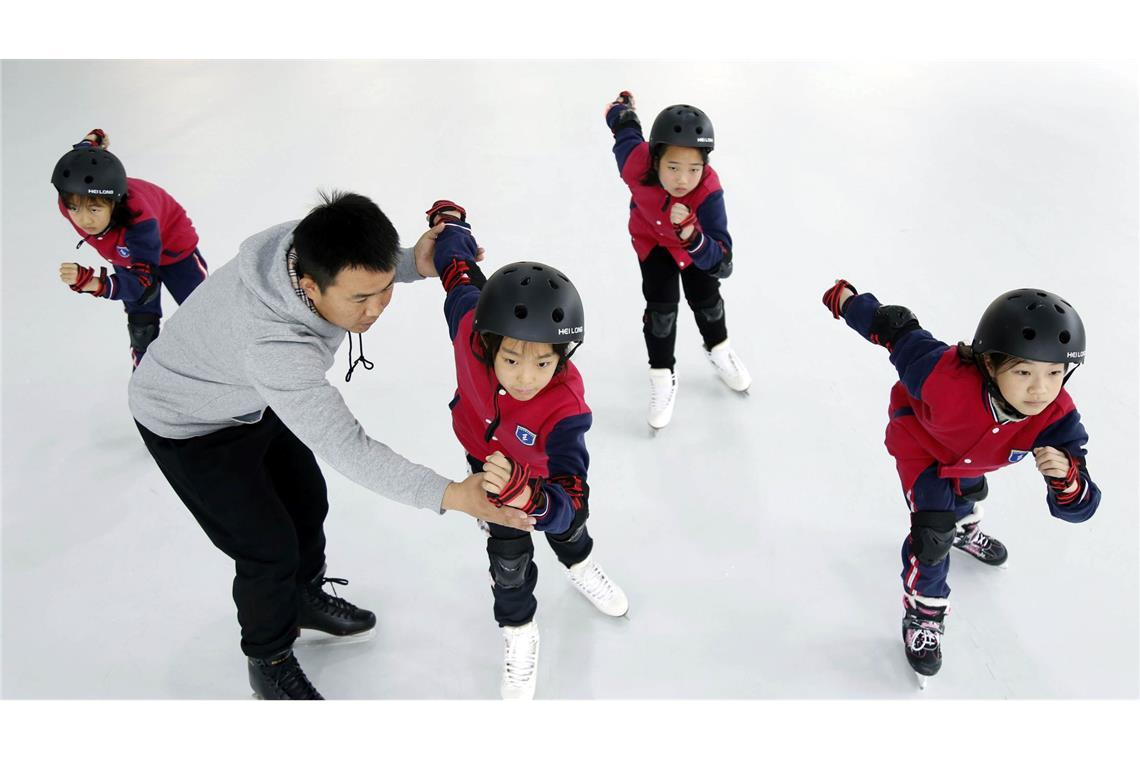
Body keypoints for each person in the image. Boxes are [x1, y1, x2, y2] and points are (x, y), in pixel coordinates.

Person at [128, 191, 535, 699]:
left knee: (306, 501)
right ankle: (269, 660)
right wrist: (452, 494)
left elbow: (366, 267)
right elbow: (348, 446)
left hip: (246, 396)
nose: (376, 309)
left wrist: (414, 261)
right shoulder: (275, 349)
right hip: (187, 420)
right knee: (267, 549)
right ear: (308, 287)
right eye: (359, 300)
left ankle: (303, 598)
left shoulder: (308, 242)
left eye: (383, 290)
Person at [823, 280, 1101, 682]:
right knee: (933, 534)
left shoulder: (1056, 418)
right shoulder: (939, 373)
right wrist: (846, 301)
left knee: (969, 488)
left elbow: (1082, 506)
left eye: (1055, 372)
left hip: (974, 459)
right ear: (989, 363)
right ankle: (923, 617)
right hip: (921, 445)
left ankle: (964, 529)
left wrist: (1068, 484)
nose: (1040, 389)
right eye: (1023, 371)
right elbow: (895, 327)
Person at [424, 200, 628, 699]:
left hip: (539, 481)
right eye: (511, 358)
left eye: (542, 364)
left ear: (562, 357)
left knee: (569, 530)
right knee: (508, 561)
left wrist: (532, 498)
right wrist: (451, 225)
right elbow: (458, 271)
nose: (523, 377)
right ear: (488, 343)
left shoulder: (566, 409)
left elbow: (573, 497)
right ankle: (519, 632)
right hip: (483, 458)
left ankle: (580, 566)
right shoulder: (469, 323)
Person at [604, 91, 751, 430]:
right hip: (652, 243)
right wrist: (620, 109)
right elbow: (625, 131)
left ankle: (719, 350)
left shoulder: (709, 193)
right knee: (661, 313)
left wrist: (693, 238)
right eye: (672, 167)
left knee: (708, 303)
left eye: (693, 169)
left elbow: (723, 263)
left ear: (705, 166)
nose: (683, 179)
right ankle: (662, 376)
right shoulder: (633, 162)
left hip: (694, 250)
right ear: (654, 160)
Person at [52, 129, 209, 367]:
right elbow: (82, 156)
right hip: (126, 257)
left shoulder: (140, 223)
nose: (84, 220)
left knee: (207, 313)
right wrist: (93, 140)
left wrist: (95, 283)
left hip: (174, 250)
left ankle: (236, 370)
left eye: (94, 209)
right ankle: (147, 384)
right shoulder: (71, 199)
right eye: (75, 209)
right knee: (142, 328)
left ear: (114, 204)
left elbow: (141, 287)